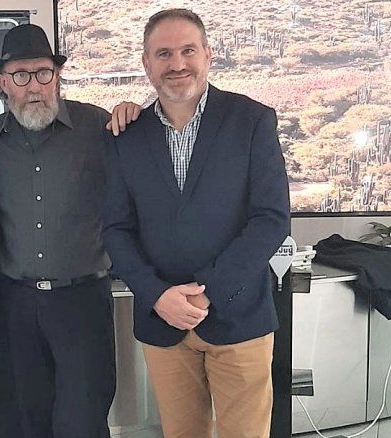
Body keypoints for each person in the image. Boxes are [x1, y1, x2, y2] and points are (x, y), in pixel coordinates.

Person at [102, 9, 290, 438]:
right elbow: (116, 229)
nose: (177, 63)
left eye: (188, 50)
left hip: (238, 316)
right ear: (147, 63)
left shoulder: (252, 121)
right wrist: (157, 295)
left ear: (208, 54)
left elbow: (271, 218)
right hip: (162, 321)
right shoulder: (125, 135)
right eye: (163, 53)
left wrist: (208, 293)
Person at [0, 24, 140, 438]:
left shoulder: (99, 128)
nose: (34, 86)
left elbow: (151, 165)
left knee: (83, 423)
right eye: (21, 75)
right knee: (26, 420)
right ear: (2, 83)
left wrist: (136, 113)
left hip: (83, 302)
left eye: (43, 73)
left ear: (57, 75)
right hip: (15, 305)